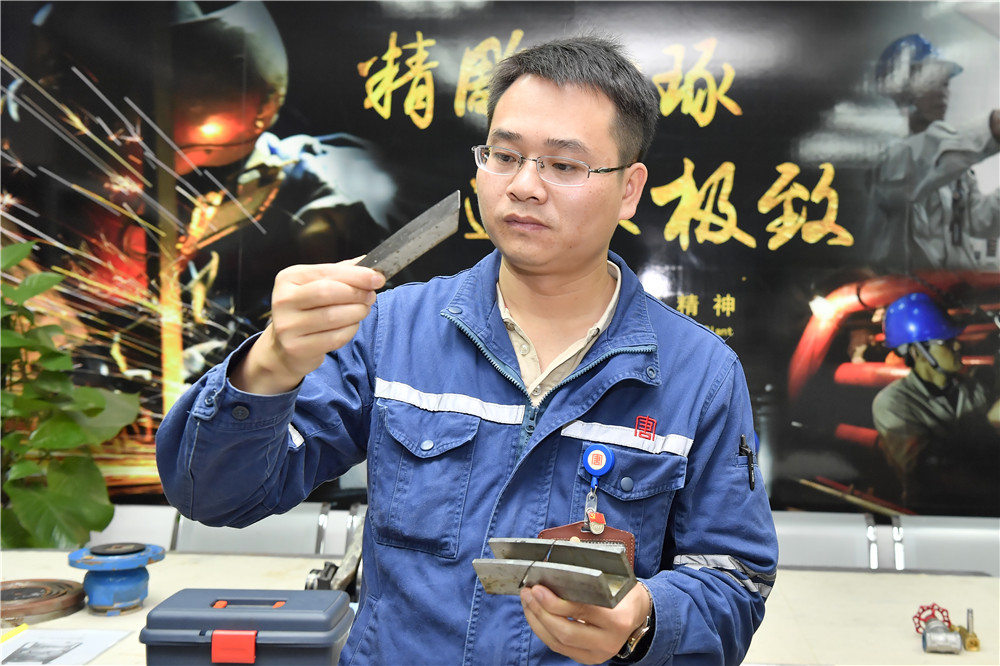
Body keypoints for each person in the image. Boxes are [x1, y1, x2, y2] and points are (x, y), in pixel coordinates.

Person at [156, 35, 778, 665]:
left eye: (564, 166)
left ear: (628, 188)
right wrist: (268, 368)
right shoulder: (390, 331)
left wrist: (644, 619)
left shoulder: (699, 374)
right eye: (504, 156)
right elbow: (213, 496)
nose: (524, 186)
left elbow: (734, 578)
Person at [865, 34, 1000, 272]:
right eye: (930, 83)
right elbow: (924, 158)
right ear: (901, 90)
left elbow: (980, 222)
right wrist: (992, 126)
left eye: (945, 84)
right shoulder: (888, 158)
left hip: (954, 290)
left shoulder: (954, 166)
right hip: (901, 292)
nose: (942, 92)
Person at [872, 292, 1000, 513]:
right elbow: (928, 469)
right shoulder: (893, 404)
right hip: (935, 515)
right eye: (946, 342)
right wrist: (988, 424)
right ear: (917, 352)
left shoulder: (973, 389)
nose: (957, 346)